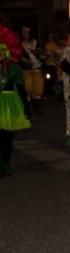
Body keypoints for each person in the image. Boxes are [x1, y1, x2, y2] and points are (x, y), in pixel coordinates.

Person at [0, 25, 30, 176]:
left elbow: (22, 90)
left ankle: (5, 163)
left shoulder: (15, 69)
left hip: (9, 104)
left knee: (7, 138)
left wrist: (26, 109)